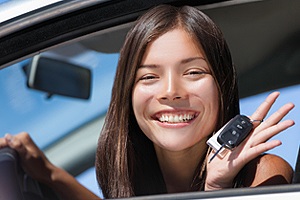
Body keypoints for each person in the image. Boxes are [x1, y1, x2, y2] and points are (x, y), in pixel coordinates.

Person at [0, 4, 295, 200]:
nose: (170, 91)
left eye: (193, 72)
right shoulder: (133, 178)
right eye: (149, 77)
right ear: (127, 95)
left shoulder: (265, 175)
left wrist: (216, 189)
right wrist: (50, 173)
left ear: (222, 86)